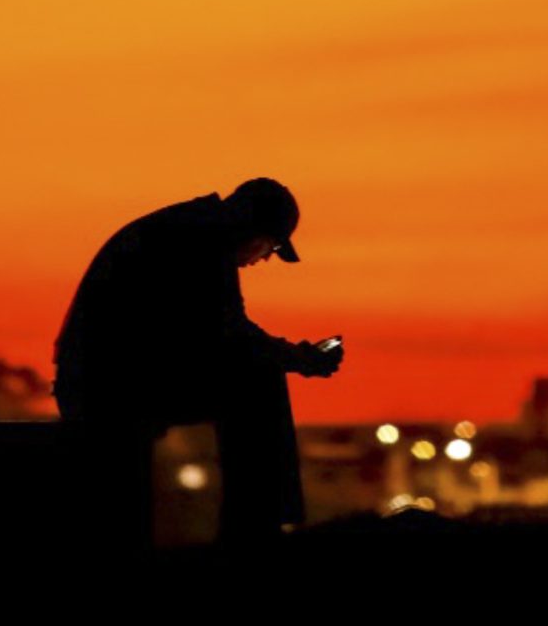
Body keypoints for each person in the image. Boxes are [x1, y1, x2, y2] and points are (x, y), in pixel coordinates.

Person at [51, 177, 344, 546]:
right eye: (270, 247)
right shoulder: (204, 239)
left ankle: (259, 523)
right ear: (255, 230)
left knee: (255, 376)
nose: (265, 258)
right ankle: (257, 528)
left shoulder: (192, 228)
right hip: (106, 389)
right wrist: (301, 358)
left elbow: (216, 335)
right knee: (258, 382)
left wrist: (294, 356)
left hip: (106, 379)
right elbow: (230, 334)